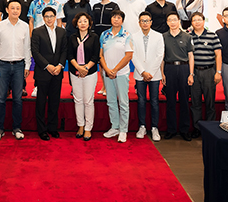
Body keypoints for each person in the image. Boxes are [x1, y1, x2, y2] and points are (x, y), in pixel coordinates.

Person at [0, 0, 31, 142]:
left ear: (21, 10)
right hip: (3, 65)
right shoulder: (0, 26)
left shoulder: (25, 26)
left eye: (17, 8)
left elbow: (27, 47)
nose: (15, 10)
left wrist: (27, 65)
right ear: (7, 10)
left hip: (19, 65)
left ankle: (17, 128)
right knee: (0, 99)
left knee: (17, 99)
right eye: (12, 8)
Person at [31, 7, 67, 141]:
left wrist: (60, 65)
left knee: (54, 102)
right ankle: (42, 130)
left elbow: (64, 50)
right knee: (41, 103)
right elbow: (35, 52)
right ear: (43, 18)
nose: (49, 19)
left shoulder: (61, 32)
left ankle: (52, 128)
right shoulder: (37, 32)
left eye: (52, 16)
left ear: (55, 17)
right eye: (47, 16)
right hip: (43, 72)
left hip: (57, 72)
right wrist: (47, 66)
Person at [0, 0, 33, 96]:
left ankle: (21, 87)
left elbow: (31, 17)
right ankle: (5, 88)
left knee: (20, 60)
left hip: (22, 31)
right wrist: (0, 29)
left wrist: (30, 33)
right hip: (7, 31)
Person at [99, 9, 134, 143]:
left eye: (119, 17)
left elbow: (128, 56)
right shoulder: (104, 34)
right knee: (111, 101)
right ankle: (115, 127)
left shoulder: (127, 35)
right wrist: (107, 70)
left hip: (121, 73)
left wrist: (115, 70)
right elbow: (101, 55)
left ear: (122, 20)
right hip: (107, 73)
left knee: (123, 103)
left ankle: (123, 130)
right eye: (114, 17)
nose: (116, 19)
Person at [28, 0, 64, 98]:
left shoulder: (57, 4)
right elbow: (31, 21)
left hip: (53, 37)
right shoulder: (34, 4)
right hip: (39, 38)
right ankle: (37, 85)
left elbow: (59, 22)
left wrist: (59, 36)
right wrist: (31, 36)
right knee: (39, 61)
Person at [161, 12, 195, 141]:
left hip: (183, 68)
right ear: (167, 22)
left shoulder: (187, 36)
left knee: (184, 101)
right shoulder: (163, 37)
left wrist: (191, 74)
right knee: (170, 101)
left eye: (174, 20)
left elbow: (191, 56)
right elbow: (162, 57)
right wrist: (162, 73)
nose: (172, 22)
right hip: (169, 68)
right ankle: (171, 130)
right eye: (170, 20)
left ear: (179, 21)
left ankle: (184, 130)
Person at [188, 12, 222, 138]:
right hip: (194, 72)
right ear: (191, 23)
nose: (197, 22)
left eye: (199, 19)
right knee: (195, 103)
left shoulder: (212, 35)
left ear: (203, 21)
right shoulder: (188, 37)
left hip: (209, 71)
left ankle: (210, 129)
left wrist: (218, 72)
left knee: (210, 102)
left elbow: (218, 55)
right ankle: (197, 128)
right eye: (194, 20)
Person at [67, 12, 100, 141]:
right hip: (75, 71)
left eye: (85, 21)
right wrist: (78, 67)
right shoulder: (72, 37)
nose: (82, 23)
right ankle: (80, 126)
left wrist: (85, 68)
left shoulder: (94, 37)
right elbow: (69, 55)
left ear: (89, 23)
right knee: (78, 100)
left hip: (89, 72)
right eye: (80, 21)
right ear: (76, 23)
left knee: (88, 100)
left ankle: (88, 128)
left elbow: (96, 56)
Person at [132, 12, 164, 142]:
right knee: (141, 101)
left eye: (147, 20)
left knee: (154, 101)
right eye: (142, 21)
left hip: (154, 75)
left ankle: (155, 127)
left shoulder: (158, 36)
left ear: (151, 22)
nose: (145, 23)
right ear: (139, 23)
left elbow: (160, 55)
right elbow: (133, 55)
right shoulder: (133, 36)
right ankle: (142, 126)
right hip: (140, 74)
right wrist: (143, 72)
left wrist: (150, 72)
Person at [92, 0, 119, 96]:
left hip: (109, 36)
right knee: (101, 62)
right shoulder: (95, 6)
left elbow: (117, 21)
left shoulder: (114, 6)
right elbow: (92, 21)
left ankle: (111, 86)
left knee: (109, 61)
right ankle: (104, 85)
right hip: (97, 35)